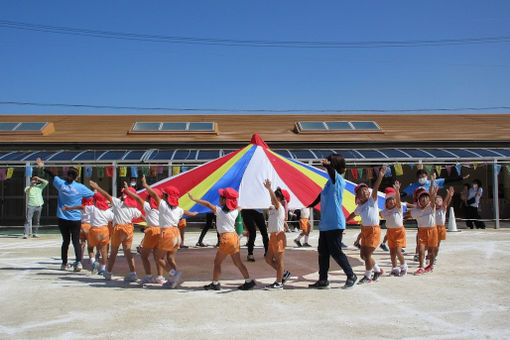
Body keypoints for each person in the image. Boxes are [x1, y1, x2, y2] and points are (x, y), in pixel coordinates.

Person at [188, 188, 256, 291]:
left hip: (226, 239)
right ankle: (248, 281)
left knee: (217, 262)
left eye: (221, 197)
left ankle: (215, 283)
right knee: (238, 263)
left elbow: (207, 204)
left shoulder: (219, 211)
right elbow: (240, 207)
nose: (219, 198)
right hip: (234, 237)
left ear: (225, 200)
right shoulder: (234, 212)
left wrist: (194, 199)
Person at [307, 154, 357, 289]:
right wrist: (311, 204)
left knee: (335, 251)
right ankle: (323, 280)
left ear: (334, 165)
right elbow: (321, 195)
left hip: (335, 223)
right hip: (325, 224)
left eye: (330, 162)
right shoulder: (328, 182)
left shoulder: (338, 180)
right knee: (322, 252)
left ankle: (351, 275)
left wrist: (327, 165)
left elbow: (333, 174)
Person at [36, 158, 94, 272]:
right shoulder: (80, 187)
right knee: (76, 241)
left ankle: (64, 263)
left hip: (62, 218)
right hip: (76, 219)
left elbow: (52, 175)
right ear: (77, 177)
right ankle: (78, 263)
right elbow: (92, 195)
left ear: (67, 175)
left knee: (65, 241)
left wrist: (42, 167)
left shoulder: (61, 184)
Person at [142, 176, 197, 288]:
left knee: (158, 258)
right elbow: (185, 212)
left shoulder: (162, 205)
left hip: (167, 233)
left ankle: (173, 274)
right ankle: (174, 280)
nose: (162, 195)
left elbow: (154, 195)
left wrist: (145, 185)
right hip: (176, 233)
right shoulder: (178, 209)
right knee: (170, 258)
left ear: (166, 197)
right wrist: (193, 213)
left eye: (164, 194)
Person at [89, 180, 142, 282]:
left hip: (118, 229)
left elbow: (106, 195)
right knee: (128, 252)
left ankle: (108, 273)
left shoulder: (118, 203)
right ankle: (133, 273)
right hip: (128, 229)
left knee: (113, 252)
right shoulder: (133, 209)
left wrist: (97, 187)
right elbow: (142, 217)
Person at [346, 166, 386, 285]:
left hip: (374, 231)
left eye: (365, 190)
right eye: (361, 192)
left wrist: (380, 176)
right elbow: (353, 214)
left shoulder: (371, 201)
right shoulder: (360, 206)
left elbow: (375, 188)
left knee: (367, 255)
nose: (364, 192)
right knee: (363, 255)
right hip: (365, 231)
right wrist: (344, 220)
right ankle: (377, 270)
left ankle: (367, 276)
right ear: (358, 197)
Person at [122, 184, 165, 285]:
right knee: (158, 257)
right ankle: (160, 277)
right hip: (161, 231)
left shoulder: (148, 207)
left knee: (144, 255)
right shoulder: (164, 207)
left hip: (151, 231)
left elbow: (136, 197)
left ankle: (149, 276)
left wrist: (127, 191)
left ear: (151, 197)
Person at [62, 192, 113, 275]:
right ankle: (103, 268)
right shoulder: (106, 210)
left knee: (88, 247)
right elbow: (112, 219)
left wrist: (69, 208)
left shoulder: (91, 208)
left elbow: (80, 207)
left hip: (88, 228)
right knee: (103, 250)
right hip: (103, 230)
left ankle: (88, 261)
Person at [263, 179, 291, 290]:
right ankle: (283, 273)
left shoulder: (279, 206)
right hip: (273, 236)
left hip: (279, 236)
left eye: (273, 197)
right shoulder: (274, 208)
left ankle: (279, 283)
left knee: (279, 261)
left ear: (278, 198)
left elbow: (275, 202)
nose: (271, 199)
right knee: (268, 259)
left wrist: (269, 189)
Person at [410, 174, 439, 275]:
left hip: (432, 230)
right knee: (421, 248)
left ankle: (430, 265)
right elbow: (408, 214)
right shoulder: (416, 211)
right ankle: (421, 266)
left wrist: (432, 182)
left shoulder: (431, 207)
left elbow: (432, 195)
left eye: (426, 197)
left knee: (431, 251)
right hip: (422, 231)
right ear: (418, 200)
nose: (425, 199)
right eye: (422, 198)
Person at [380, 182, 408, 276]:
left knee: (398, 251)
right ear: (386, 203)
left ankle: (404, 267)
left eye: (393, 200)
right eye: (389, 200)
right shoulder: (384, 212)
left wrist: (397, 191)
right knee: (392, 253)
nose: (391, 201)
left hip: (399, 232)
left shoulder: (398, 208)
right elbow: (377, 214)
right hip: (390, 232)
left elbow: (399, 201)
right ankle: (394, 268)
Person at [402, 168, 469, 198]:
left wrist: (461, 178)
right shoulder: (414, 186)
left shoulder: (434, 182)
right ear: (417, 178)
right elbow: (404, 193)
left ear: (427, 176)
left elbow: (448, 180)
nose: (422, 178)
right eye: (420, 177)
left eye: (423, 176)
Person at [435, 186, 454, 262]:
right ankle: (429, 255)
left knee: (437, 243)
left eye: (440, 200)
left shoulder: (442, 208)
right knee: (431, 243)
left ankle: (434, 256)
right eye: (437, 200)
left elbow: (446, 202)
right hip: (433, 227)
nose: (439, 201)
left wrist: (449, 195)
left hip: (441, 228)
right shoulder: (432, 208)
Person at [79, 196, 94, 262]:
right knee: (90, 247)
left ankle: (80, 259)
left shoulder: (80, 207)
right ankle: (92, 261)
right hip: (89, 226)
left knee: (82, 243)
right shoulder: (92, 207)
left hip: (81, 225)